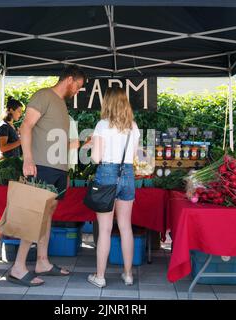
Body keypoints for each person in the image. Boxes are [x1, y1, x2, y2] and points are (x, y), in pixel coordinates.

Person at [7, 65, 86, 286]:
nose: (78, 91)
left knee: (47, 215)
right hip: (40, 166)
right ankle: (18, 268)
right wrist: (28, 159)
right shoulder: (44, 95)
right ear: (70, 79)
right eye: (78, 86)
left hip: (57, 169)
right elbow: (26, 126)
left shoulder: (61, 104)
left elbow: (55, 139)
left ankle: (42, 261)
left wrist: (68, 162)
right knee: (34, 215)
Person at [87, 86, 140, 288]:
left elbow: (96, 158)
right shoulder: (133, 126)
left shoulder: (102, 125)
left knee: (106, 229)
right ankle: (128, 275)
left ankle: (100, 277)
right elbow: (134, 157)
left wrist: (93, 145)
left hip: (107, 174)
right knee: (126, 226)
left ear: (107, 103)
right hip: (127, 174)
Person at [0, 97, 23, 240]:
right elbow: (3, 148)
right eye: (18, 111)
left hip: (14, 166)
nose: (20, 114)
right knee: (4, 200)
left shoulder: (11, 126)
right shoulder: (4, 126)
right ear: (11, 110)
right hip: (6, 167)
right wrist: (19, 141)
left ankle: (5, 230)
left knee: (11, 200)